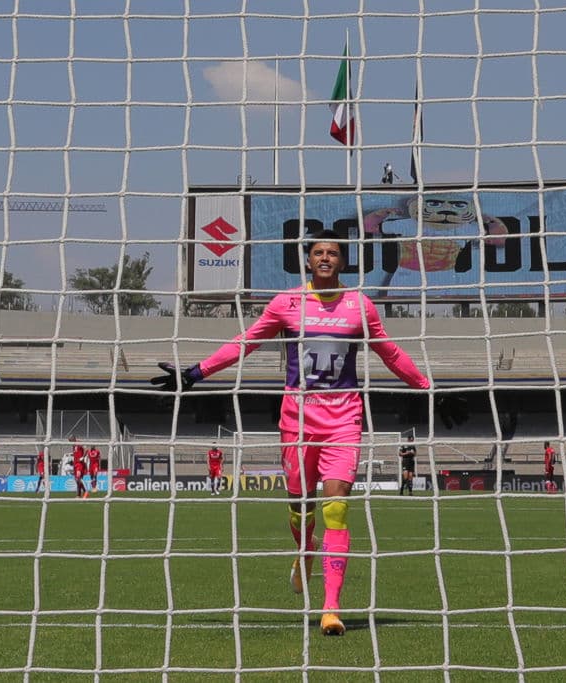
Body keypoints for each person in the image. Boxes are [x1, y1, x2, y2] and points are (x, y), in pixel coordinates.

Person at [151, 229, 430, 636]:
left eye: (333, 253)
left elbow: (390, 352)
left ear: (343, 261)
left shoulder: (359, 305)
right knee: (301, 506)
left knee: (336, 507)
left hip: (344, 419)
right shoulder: (286, 304)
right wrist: (196, 373)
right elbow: (246, 342)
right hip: (297, 420)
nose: (325, 258)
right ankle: (304, 553)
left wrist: (427, 388)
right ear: (307, 260)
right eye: (318, 252)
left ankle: (331, 607)